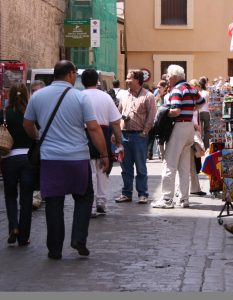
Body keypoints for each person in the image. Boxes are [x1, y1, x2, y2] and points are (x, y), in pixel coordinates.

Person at [23, 60, 109, 260]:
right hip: (77, 158)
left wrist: (37, 136)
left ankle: (54, 249)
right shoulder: (79, 97)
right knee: (84, 197)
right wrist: (104, 154)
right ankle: (78, 238)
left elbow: (27, 123)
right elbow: (94, 128)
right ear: (71, 74)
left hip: (50, 158)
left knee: (53, 202)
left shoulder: (38, 96)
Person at [152, 65, 204, 209]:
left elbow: (175, 111)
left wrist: (163, 113)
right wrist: (191, 110)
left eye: (168, 76)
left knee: (170, 164)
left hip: (179, 127)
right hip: (188, 128)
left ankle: (167, 199)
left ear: (174, 77)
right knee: (184, 166)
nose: (167, 79)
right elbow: (202, 103)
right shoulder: (191, 88)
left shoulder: (177, 90)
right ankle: (184, 199)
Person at [81, 68, 123, 217]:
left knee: (89, 172)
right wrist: (119, 142)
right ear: (97, 81)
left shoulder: (79, 96)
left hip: (84, 137)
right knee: (103, 170)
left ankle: (91, 205)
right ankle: (101, 202)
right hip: (103, 136)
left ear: (82, 81)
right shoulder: (106, 97)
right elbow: (116, 123)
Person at [0, 83, 37, 246]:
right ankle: (24, 237)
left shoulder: (5, 114)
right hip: (28, 159)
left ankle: (13, 226)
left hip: (9, 159)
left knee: (10, 195)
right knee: (26, 198)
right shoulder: (31, 113)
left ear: (11, 96)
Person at [116, 69, 156, 204]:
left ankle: (143, 194)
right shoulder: (123, 95)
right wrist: (116, 133)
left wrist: (145, 132)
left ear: (137, 80)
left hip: (139, 136)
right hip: (124, 135)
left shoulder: (148, 96)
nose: (126, 80)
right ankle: (126, 193)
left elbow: (151, 116)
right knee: (125, 168)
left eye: (129, 78)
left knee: (140, 167)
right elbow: (118, 112)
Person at [30, 80, 46, 210]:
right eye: (33, 91)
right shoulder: (30, 104)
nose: (35, 93)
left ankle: (41, 193)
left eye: (38, 91)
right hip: (36, 141)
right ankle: (38, 194)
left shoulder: (48, 104)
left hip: (47, 141)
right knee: (37, 168)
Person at [198, 76, 210, 150]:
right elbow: (209, 102)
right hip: (206, 111)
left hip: (199, 111)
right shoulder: (207, 93)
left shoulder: (198, 93)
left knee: (200, 130)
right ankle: (206, 146)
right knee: (206, 130)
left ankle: (200, 146)